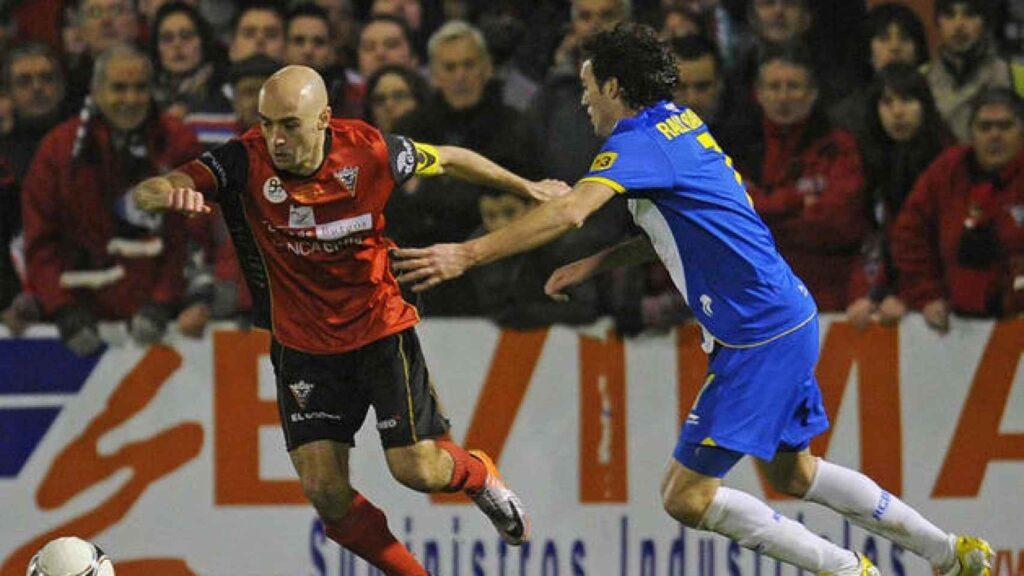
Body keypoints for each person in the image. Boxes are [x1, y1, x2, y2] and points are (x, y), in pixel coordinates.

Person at [393, 23, 994, 576]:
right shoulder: (678, 123)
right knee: (793, 471)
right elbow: (687, 228)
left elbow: (569, 210)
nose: (583, 101)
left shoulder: (637, 145)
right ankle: (950, 554)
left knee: (685, 497)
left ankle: (848, 572)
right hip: (784, 315)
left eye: (588, 86)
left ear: (614, 85)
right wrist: (598, 261)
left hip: (757, 336)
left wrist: (464, 254)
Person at [131, 64, 567, 575]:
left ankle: (479, 477)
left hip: (377, 325)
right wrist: (171, 193)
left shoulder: (368, 150)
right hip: (302, 345)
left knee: (418, 469)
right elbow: (155, 187)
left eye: (290, 124)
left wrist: (527, 188)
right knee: (325, 492)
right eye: (267, 123)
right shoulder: (243, 161)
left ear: (324, 120)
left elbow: (449, 160)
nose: (275, 138)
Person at [892, 88, 1024, 330]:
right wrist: (927, 295)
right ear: (971, 133)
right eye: (985, 127)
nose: (995, 135)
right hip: (955, 328)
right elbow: (909, 235)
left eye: (1005, 126)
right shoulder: (947, 171)